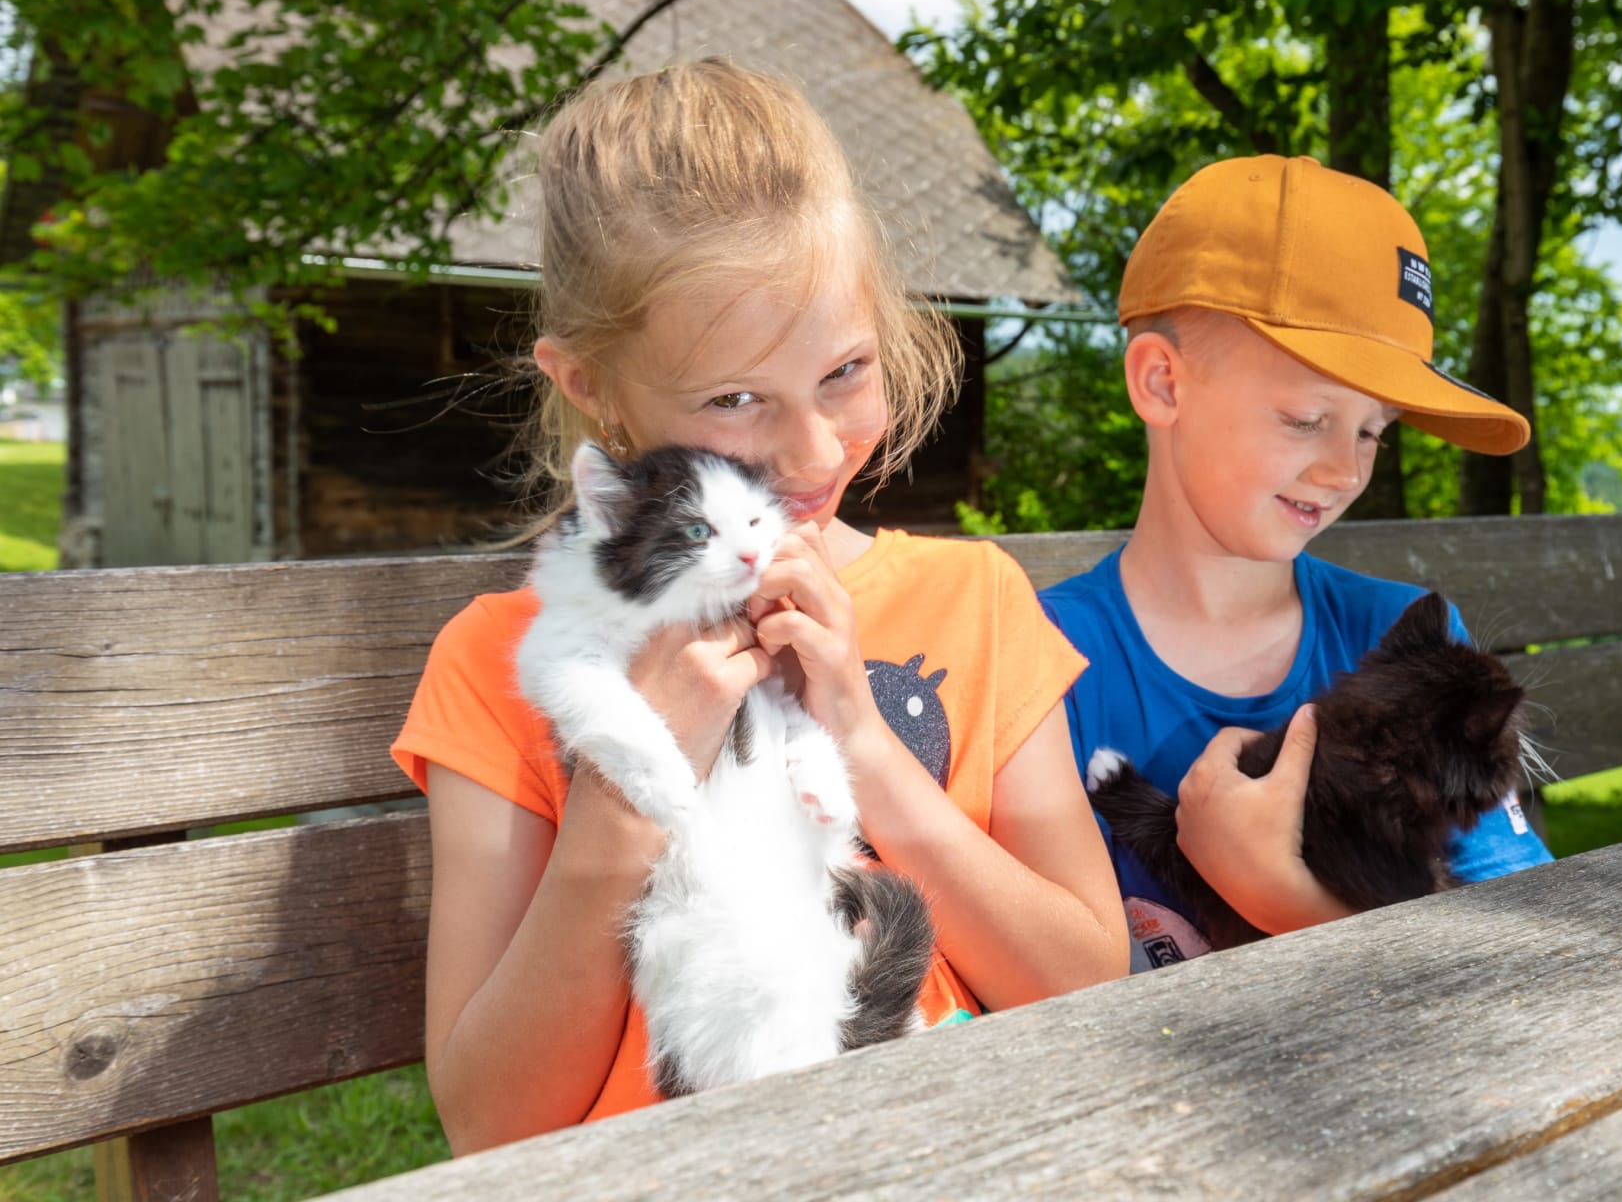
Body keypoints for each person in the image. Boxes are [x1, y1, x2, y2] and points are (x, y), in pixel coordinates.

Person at [392, 60, 1127, 1153]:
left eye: (845, 371)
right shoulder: (504, 663)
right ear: (589, 385)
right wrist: (625, 789)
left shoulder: (975, 602)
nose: (816, 451)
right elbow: (489, 1124)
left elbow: (1089, 982)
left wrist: (863, 741)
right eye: (736, 399)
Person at [1039, 154, 1554, 973]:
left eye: (1373, 430)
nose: (1346, 470)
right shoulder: (1042, 659)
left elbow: (1520, 943)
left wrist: (1277, 894)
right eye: (1307, 417)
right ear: (1163, 382)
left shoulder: (1407, 643)